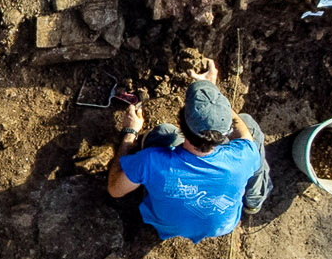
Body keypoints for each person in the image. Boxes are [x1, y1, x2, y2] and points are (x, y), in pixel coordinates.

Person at [107, 58, 271, 243]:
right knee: (249, 125)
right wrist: (215, 101)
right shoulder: (243, 156)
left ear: (182, 122)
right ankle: (254, 201)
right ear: (225, 132)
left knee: (163, 134)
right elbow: (243, 132)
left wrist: (130, 133)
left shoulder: (152, 161)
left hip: (166, 225)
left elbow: (115, 190)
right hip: (222, 226)